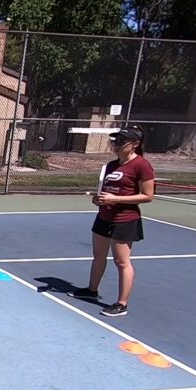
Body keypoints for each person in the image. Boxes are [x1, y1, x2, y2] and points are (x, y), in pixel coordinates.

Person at [68, 124, 154, 317]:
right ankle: (92, 290)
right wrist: (97, 199)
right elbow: (105, 191)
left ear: (135, 144)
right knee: (98, 256)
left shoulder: (141, 165)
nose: (117, 144)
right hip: (103, 217)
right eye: (116, 140)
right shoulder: (111, 165)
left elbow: (148, 196)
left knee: (122, 262)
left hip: (124, 219)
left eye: (122, 141)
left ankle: (121, 304)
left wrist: (116, 200)